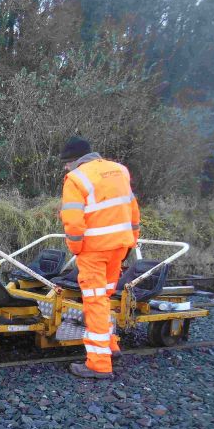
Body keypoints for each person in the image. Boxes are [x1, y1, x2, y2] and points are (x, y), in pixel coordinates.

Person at [59, 136, 141, 379]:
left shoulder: (76, 178)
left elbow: (73, 220)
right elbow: (133, 209)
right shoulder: (119, 171)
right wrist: (131, 241)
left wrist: (75, 248)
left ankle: (99, 364)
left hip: (94, 250)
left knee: (94, 302)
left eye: (65, 163)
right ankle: (110, 345)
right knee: (103, 298)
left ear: (75, 161)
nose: (64, 167)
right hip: (120, 246)